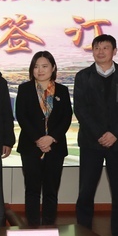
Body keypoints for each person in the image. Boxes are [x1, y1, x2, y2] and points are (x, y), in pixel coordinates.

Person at [73, 34, 118, 236]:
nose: (100, 52)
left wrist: (114, 134)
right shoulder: (83, 76)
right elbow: (80, 109)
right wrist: (100, 134)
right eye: (97, 48)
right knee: (85, 192)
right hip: (91, 143)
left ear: (114, 51)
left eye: (105, 48)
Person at [15, 51, 72, 226]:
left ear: (53, 68)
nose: (40, 70)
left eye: (44, 66)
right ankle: (32, 227)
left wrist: (51, 138)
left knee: (51, 191)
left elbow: (66, 117)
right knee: (32, 190)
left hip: (55, 148)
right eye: (36, 66)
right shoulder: (24, 89)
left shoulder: (62, 90)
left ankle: (48, 227)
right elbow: (21, 116)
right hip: (30, 147)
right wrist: (39, 139)